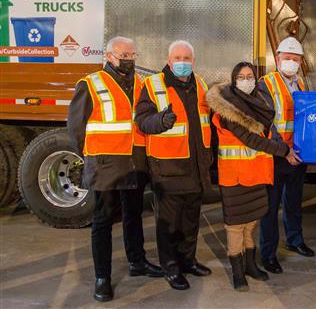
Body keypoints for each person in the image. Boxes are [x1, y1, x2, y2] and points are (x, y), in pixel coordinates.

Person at [67, 36, 163, 302]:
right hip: (106, 165)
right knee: (103, 221)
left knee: (133, 216)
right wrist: (90, 159)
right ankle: (102, 278)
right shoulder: (91, 83)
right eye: (124, 54)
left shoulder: (141, 84)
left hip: (134, 161)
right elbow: (76, 129)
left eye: (133, 54)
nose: (129, 59)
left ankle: (137, 262)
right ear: (109, 55)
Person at [207, 61, 301, 291]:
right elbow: (252, 139)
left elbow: (269, 131)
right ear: (234, 79)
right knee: (235, 226)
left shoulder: (260, 101)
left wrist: (283, 146)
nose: (247, 80)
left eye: (250, 76)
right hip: (235, 177)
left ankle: (250, 265)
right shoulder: (227, 107)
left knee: (250, 224)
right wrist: (284, 151)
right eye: (242, 76)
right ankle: (238, 272)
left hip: (256, 174)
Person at [135, 40, 214, 291]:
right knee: (169, 224)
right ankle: (171, 268)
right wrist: (161, 120)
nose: (182, 63)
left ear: (193, 61)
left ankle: (188, 261)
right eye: (178, 58)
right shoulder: (153, 85)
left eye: (187, 58)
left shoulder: (200, 85)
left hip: (196, 168)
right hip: (168, 169)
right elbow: (142, 122)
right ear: (169, 61)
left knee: (191, 220)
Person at [258, 36, 313, 274]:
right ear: (277, 58)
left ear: (301, 61)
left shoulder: (301, 85)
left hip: (298, 155)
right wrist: (284, 150)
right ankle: (268, 254)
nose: (291, 62)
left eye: (295, 59)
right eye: (287, 58)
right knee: (270, 207)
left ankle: (295, 240)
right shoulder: (265, 84)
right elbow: (265, 123)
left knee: (293, 201)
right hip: (276, 155)